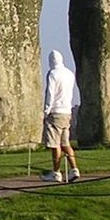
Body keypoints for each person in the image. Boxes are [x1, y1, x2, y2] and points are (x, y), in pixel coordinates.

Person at [40, 50, 80, 183]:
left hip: (55, 112)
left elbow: (50, 93)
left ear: (51, 61)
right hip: (67, 112)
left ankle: (56, 173)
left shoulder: (53, 74)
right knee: (65, 143)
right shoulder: (69, 73)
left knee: (55, 144)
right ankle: (74, 169)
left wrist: (46, 111)